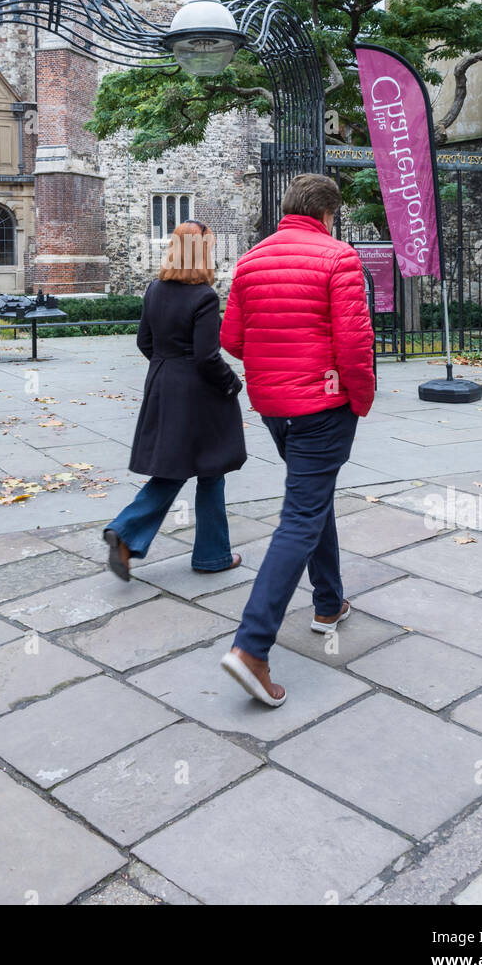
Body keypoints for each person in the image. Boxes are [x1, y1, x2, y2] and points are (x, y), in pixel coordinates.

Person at [218, 174, 375, 707]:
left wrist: (274, 374)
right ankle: (251, 646)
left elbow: (231, 339)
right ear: (329, 214)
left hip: (274, 408)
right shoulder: (340, 258)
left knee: (313, 497)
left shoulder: (252, 258)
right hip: (322, 406)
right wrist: (361, 397)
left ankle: (328, 603)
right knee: (301, 516)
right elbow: (355, 343)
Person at [103, 220, 247, 581]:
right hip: (199, 394)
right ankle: (210, 555)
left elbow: (144, 343)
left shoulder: (154, 289)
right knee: (211, 471)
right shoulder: (204, 297)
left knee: (173, 469)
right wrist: (232, 383)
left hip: (163, 385)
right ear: (202, 252)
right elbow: (206, 357)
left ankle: (128, 532)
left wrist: (167, 368)